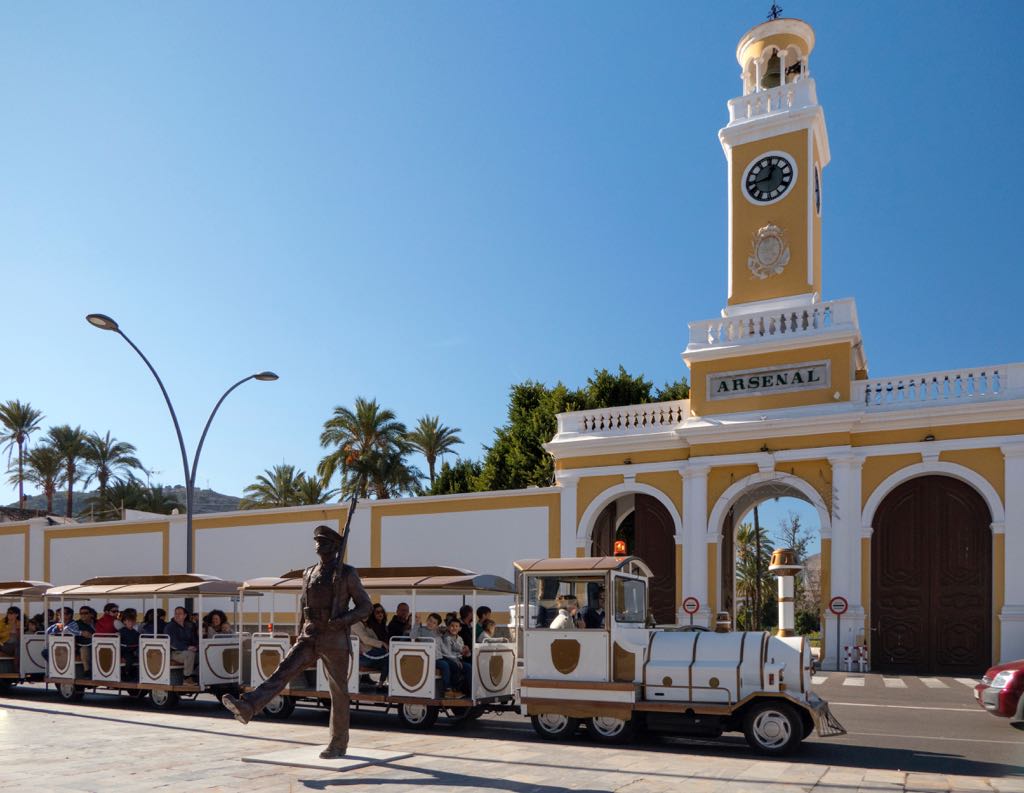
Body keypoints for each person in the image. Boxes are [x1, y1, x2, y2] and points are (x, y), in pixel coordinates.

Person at [222, 524, 372, 760]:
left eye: (323, 541)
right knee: (283, 670)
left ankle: (338, 743)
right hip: (310, 634)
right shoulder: (308, 573)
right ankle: (249, 706)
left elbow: (366, 607)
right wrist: (299, 632)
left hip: (334, 637)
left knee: (338, 692)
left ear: (334, 546)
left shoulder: (347, 573)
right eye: (316, 541)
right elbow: (304, 605)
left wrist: (342, 620)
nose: (318, 545)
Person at [411, 612, 462, 698]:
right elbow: (412, 636)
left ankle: (454, 689)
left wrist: (454, 659)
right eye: (430, 621)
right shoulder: (421, 630)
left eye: (434, 623)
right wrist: (416, 623)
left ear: (437, 625)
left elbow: (444, 649)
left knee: (455, 665)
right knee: (445, 665)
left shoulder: (437, 634)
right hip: (428, 658)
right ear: (427, 620)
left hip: (438, 658)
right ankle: (447, 690)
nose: (431, 623)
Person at [351, 617, 388, 689]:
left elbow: (375, 638)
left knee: (388, 658)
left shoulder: (366, 624)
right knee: (388, 655)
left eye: (368, 612)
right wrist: (382, 643)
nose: (366, 615)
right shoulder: (355, 624)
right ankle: (381, 685)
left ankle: (381, 684)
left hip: (369, 654)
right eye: (364, 612)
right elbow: (366, 640)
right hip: (363, 657)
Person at [440, 617, 473, 695]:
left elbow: (463, 652)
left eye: (456, 626)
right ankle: (454, 689)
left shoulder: (460, 639)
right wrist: (456, 660)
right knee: (460, 666)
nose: (454, 628)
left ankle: (469, 690)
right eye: (452, 626)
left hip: (458, 659)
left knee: (469, 666)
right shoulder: (447, 638)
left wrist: (467, 652)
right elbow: (447, 653)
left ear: (460, 628)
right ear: (448, 627)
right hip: (448, 659)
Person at [166, 606, 198, 683]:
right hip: (175, 652)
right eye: (176, 613)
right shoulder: (170, 627)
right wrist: (187, 647)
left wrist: (196, 647)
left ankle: (197, 676)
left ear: (185, 615)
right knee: (189, 654)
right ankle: (186, 678)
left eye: (180, 613)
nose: (177, 615)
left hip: (188, 650)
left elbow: (194, 639)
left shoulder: (189, 626)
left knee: (203, 655)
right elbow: (173, 642)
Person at [119, 608, 140, 681]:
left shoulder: (136, 633)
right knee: (129, 659)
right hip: (125, 651)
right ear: (124, 621)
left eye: (133, 620)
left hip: (134, 650)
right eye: (129, 620)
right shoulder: (121, 632)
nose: (131, 622)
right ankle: (126, 673)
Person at [75, 606, 97, 672]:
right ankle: (87, 671)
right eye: (81, 613)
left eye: (86, 613)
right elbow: (68, 630)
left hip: (98, 644)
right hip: (83, 645)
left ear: (91, 614)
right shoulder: (77, 624)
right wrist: (80, 633)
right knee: (84, 649)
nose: (83, 615)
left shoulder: (97, 623)